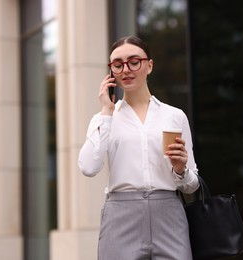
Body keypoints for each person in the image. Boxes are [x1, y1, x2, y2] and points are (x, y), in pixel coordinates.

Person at [78, 36, 200, 260]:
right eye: (118, 64)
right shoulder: (103, 119)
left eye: (134, 61)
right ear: (111, 70)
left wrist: (180, 169)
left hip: (169, 215)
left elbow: (191, 187)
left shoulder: (174, 116)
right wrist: (106, 111)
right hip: (121, 217)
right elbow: (88, 167)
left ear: (149, 65)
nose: (126, 69)